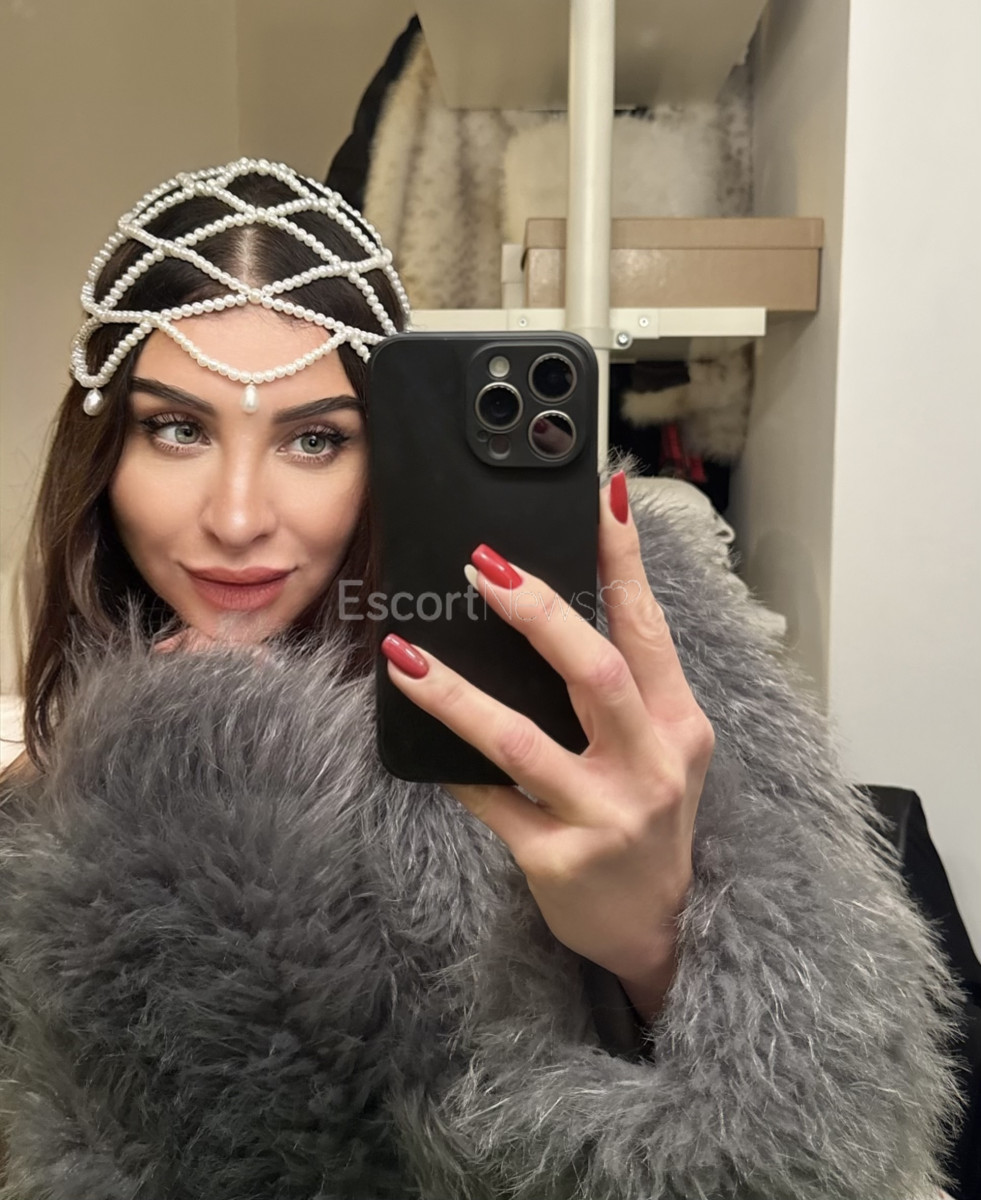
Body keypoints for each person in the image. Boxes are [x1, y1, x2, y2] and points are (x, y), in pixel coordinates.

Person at [0, 160, 961, 1199]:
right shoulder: (60, 801)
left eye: (315, 439)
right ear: (104, 451)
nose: (237, 518)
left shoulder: (599, 651)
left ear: (388, 453)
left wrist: (659, 941)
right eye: (178, 429)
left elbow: (842, 1148)